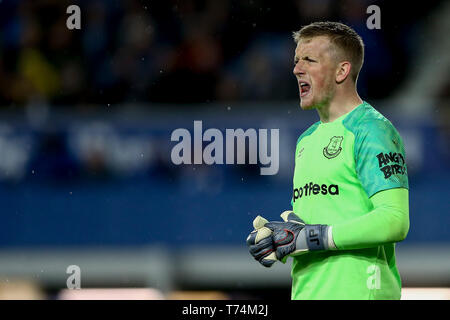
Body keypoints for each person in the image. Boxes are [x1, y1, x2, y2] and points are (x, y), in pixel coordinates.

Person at [246, 21, 409, 300]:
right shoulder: (306, 141)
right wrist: (283, 240)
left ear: (342, 71)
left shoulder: (371, 130)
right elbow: (318, 229)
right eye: (297, 61)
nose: (297, 69)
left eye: (310, 60)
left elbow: (395, 220)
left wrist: (315, 237)